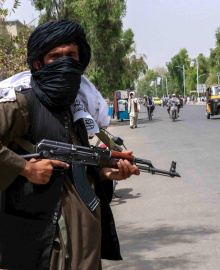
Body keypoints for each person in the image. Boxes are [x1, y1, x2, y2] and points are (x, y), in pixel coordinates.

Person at [0, 20, 140, 270]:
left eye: (71, 56)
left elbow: (77, 163)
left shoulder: (76, 106)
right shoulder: (22, 104)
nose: (64, 63)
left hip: (84, 244)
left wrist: (106, 171)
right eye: (55, 56)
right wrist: (26, 169)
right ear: (37, 63)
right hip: (44, 245)